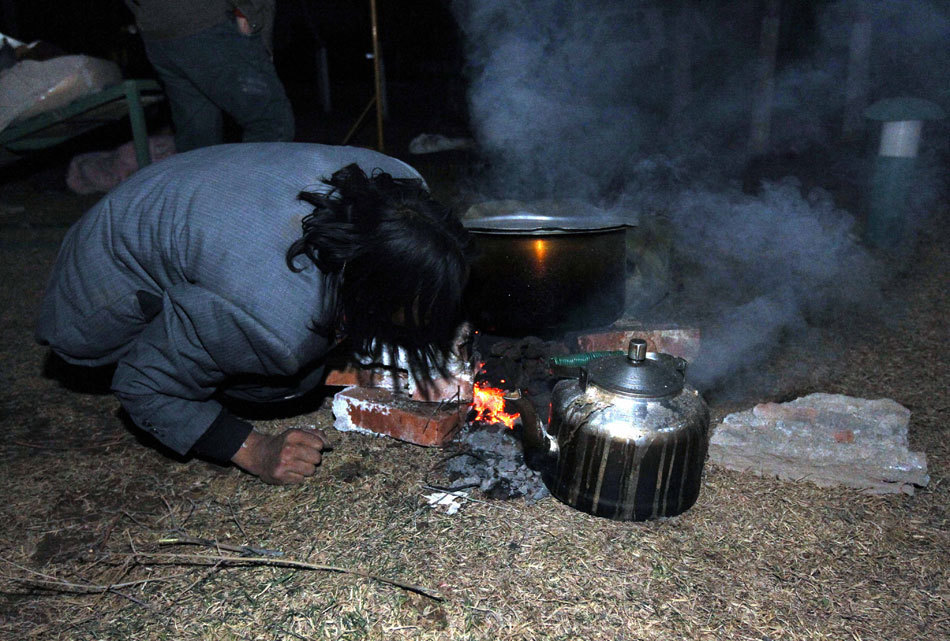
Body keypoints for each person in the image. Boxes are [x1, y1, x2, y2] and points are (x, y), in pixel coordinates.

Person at [35, 143, 472, 484]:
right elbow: (142, 386)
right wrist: (254, 450)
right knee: (289, 380)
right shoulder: (277, 321)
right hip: (94, 293)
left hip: (168, 204)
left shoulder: (403, 182)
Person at [123, 0, 295, 151]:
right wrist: (247, 9)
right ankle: (250, 187)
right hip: (208, 22)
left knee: (198, 139)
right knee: (271, 121)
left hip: (160, 32)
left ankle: (203, 188)